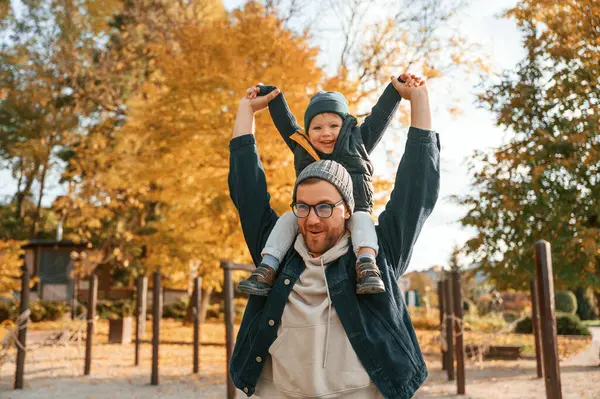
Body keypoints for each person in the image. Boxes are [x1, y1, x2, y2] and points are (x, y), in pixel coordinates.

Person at [228, 75, 440, 398]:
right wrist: (246, 111)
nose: (312, 219)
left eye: (325, 207)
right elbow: (248, 191)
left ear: (346, 209)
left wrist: (418, 100)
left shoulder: (374, 258)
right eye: (303, 207)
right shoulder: (278, 254)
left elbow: (417, 188)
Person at [237, 74, 422, 296]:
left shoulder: (357, 143)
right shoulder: (302, 148)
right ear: (308, 132)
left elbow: (379, 117)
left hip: (353, 213)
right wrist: (269, 93)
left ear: (344, 126)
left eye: (334, 125)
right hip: (312, 214)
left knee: (363, 219)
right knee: (288, 218)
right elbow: (285, 121)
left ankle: (366, 265)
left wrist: (395, 89)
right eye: (317, 128)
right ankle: (267, 267)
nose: (326, 133)